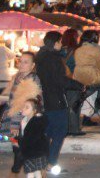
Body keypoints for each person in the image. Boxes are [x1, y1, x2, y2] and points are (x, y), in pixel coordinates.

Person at [35, 31, 82, 174]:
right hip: (56, 100)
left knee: (48, 132)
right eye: (60, 42)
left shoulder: (41, 57)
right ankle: (51, 163)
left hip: (45, 100)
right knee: (59, 132)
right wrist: (78, 85)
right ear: (55, 43)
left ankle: (42, 161)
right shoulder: (53, 58)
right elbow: (59, 80)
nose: (61, 44)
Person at [2, 51, 42, 175]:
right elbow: (12, 99)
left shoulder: (30, 80)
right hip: (17, 117)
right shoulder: (18, 77)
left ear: (32, 65)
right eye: (21, 61)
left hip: (24, 119)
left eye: (26, 62)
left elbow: (24, 105)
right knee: (17, 146)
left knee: (20, 147)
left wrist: (15, 125)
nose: (22, 64)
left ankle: (15, 172)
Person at [72, 31, 100, 126]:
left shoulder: (78, 49)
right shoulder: (95, 50)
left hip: (78, 72)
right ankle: (98, 100)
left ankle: (82, 98)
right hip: (90, 71)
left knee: (90, 87)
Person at [18, 98, 49, 177]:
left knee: (30, 172)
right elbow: (23, 135)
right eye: (23, 106)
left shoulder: (36, 122)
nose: (23, 109)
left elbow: (31, 138)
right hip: (30, 151)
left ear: (34, 110)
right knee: (36, 171)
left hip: (35, 151)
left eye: (27, 107)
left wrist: (22, 143)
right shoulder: (24, 121)